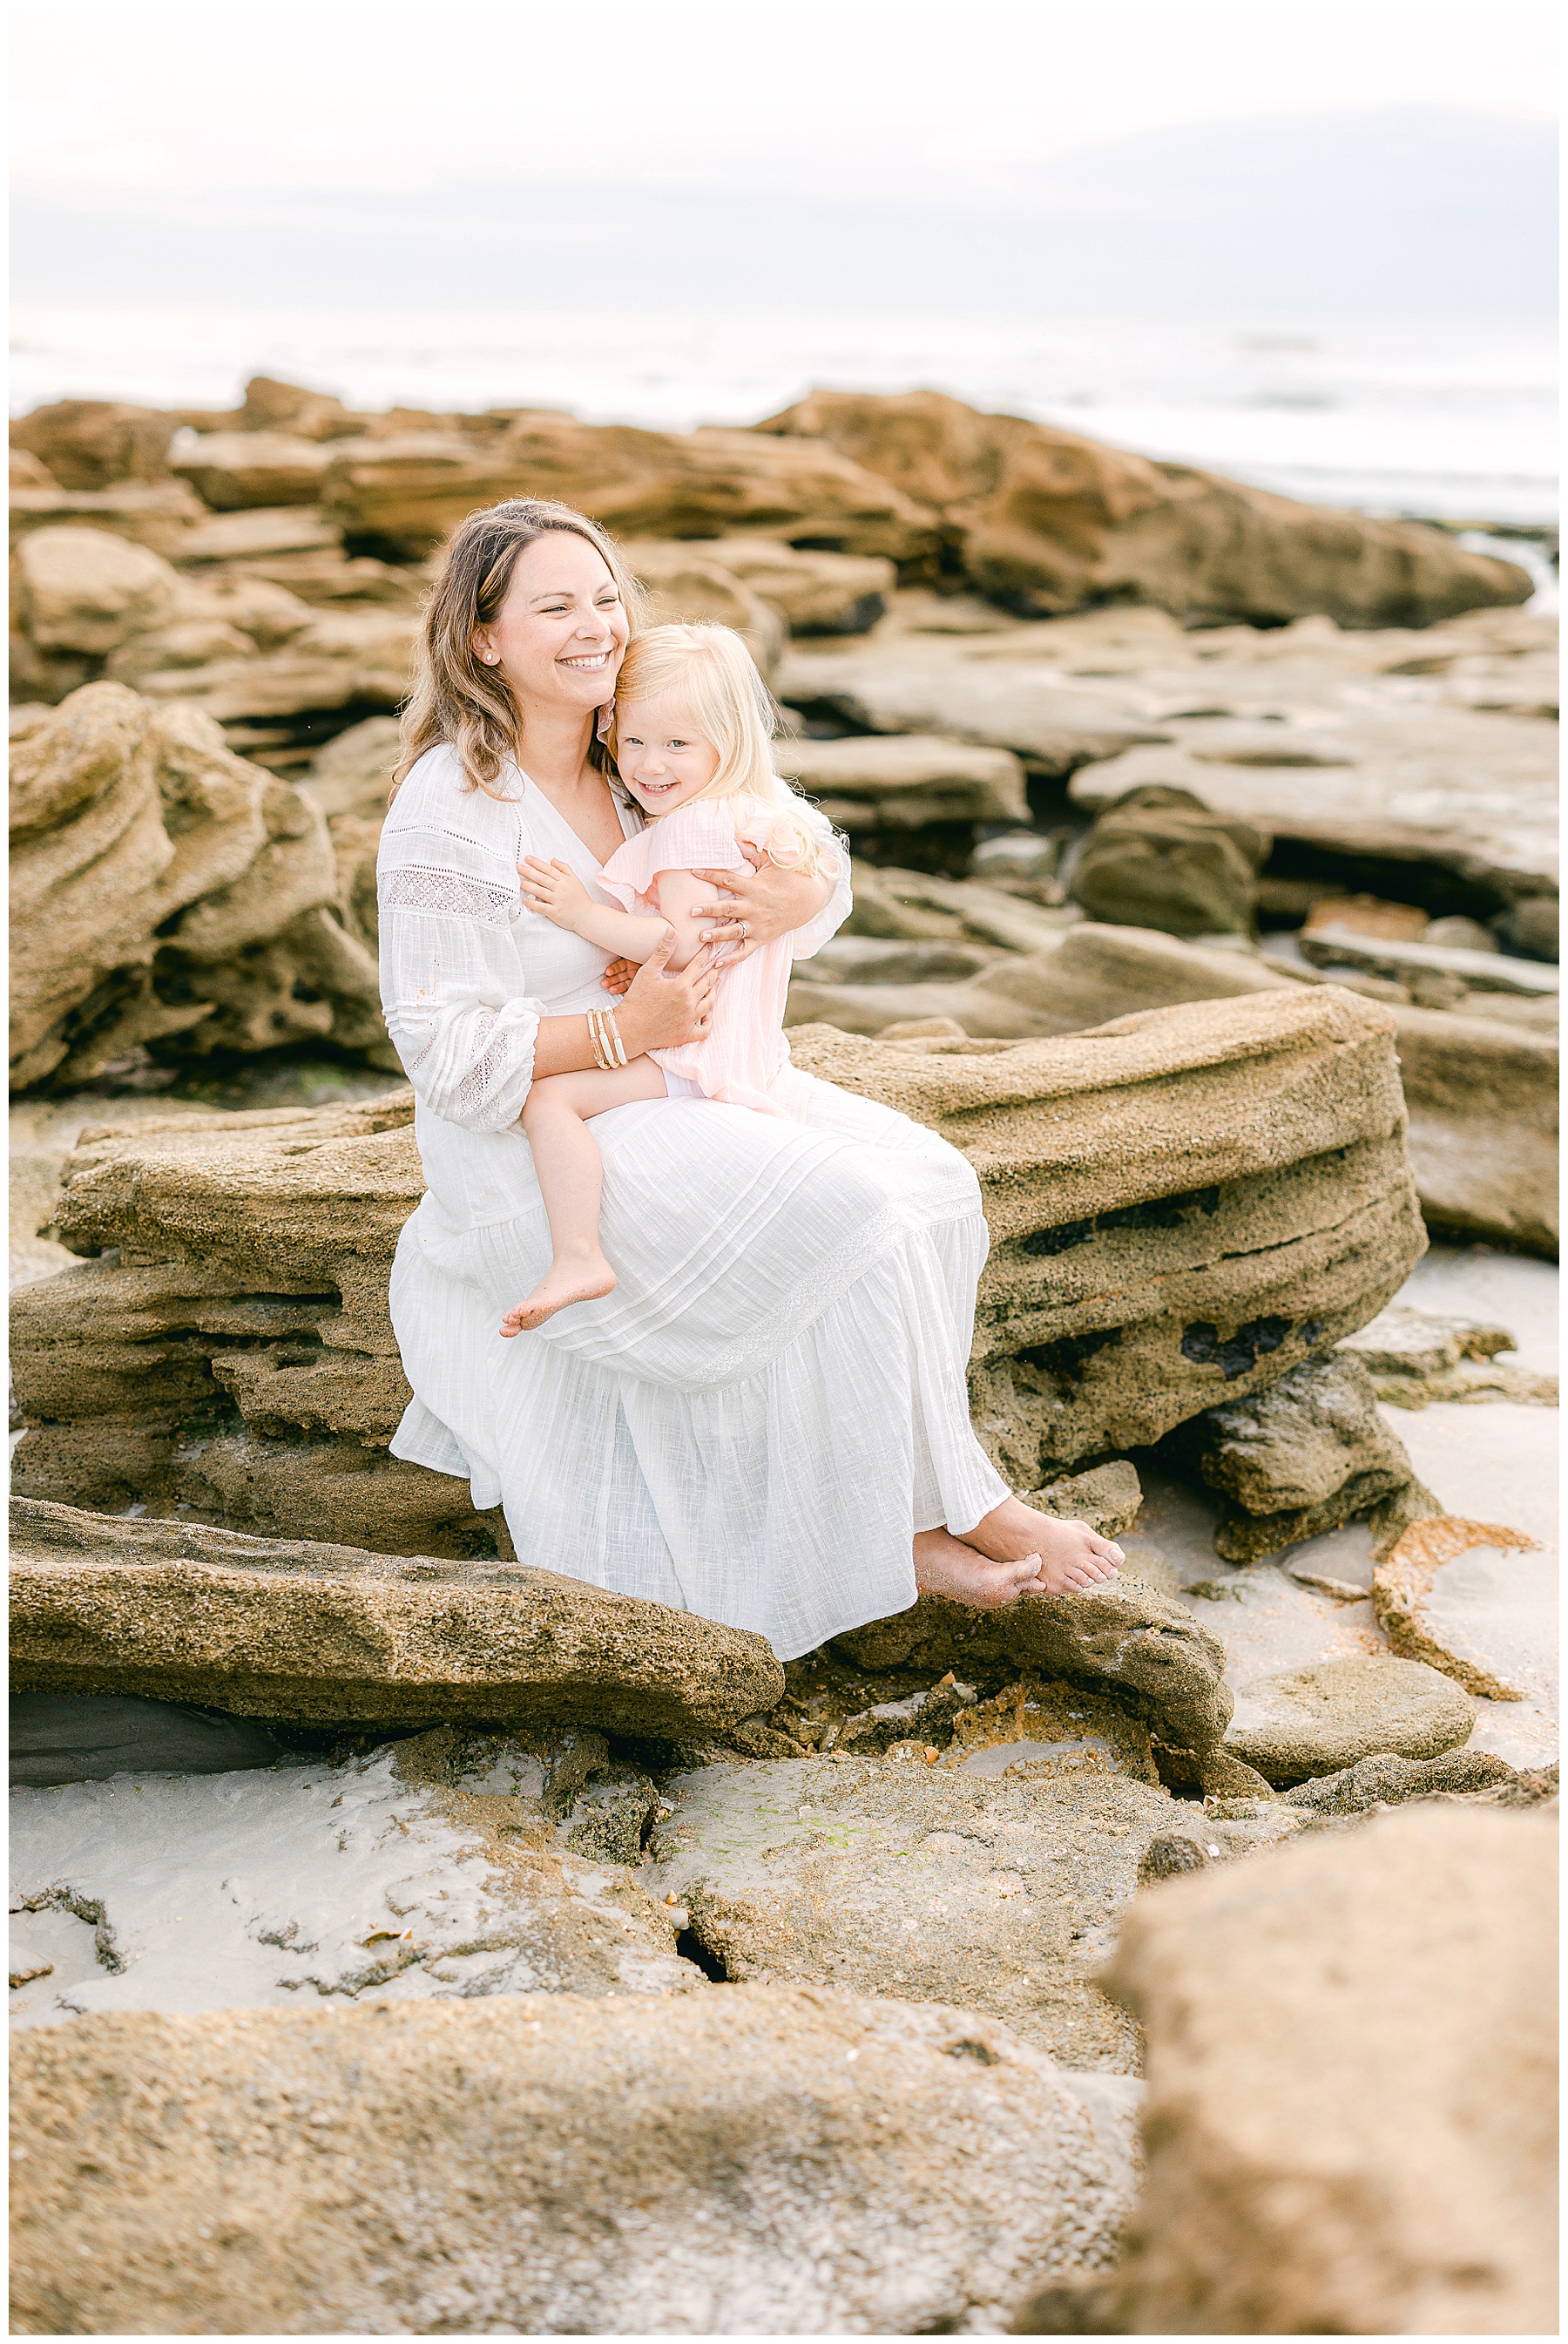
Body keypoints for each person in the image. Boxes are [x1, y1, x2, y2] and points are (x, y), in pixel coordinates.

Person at [376, 496, 1122, 1664]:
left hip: (682, 1075)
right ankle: (939, 1518)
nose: (595, 625)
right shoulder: (449, 806)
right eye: (555, 606)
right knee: (851, 1209)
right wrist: (623, 1028)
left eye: (607, 596)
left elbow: (794, 835)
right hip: (544, 1128)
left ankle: (896, 1506)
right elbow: (440, 1047)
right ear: (483, 637)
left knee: (931, 1180)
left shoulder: (640, 756)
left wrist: (799, 890)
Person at [504, 621, 841, 1332]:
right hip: (742, 1047)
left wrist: (579, 914)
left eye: (677, 744)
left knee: (547, 1102)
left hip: (693, 1051)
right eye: (634, 742)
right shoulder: (759, 816)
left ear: (728, 741)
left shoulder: (690, 829)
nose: (650, 766)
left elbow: (680, 942)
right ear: (609, 732)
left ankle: (578, 1254)